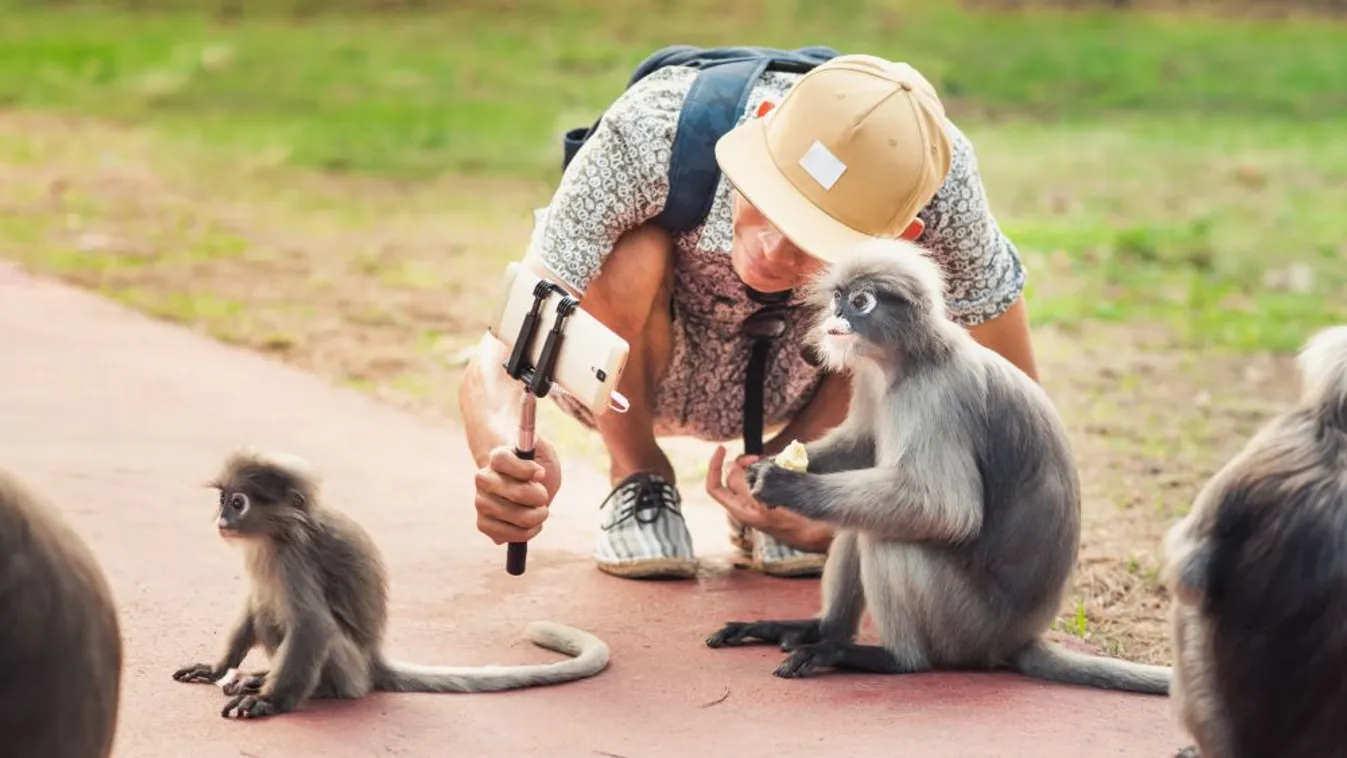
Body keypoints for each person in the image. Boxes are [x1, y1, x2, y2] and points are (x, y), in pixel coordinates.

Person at [459, 51, 1040, 581]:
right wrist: (504, 456)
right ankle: (638, 476)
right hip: (630, 373)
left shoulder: (941, 194)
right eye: (768, 201)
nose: (773, 250)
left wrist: (853, 508)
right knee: (628, 253)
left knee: (895, 297)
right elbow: (508, 340)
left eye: (815, 238)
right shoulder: (651, 130)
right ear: (758, 122)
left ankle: (793, 476)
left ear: (901, 231)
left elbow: (1015, 423)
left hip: (809, 375)